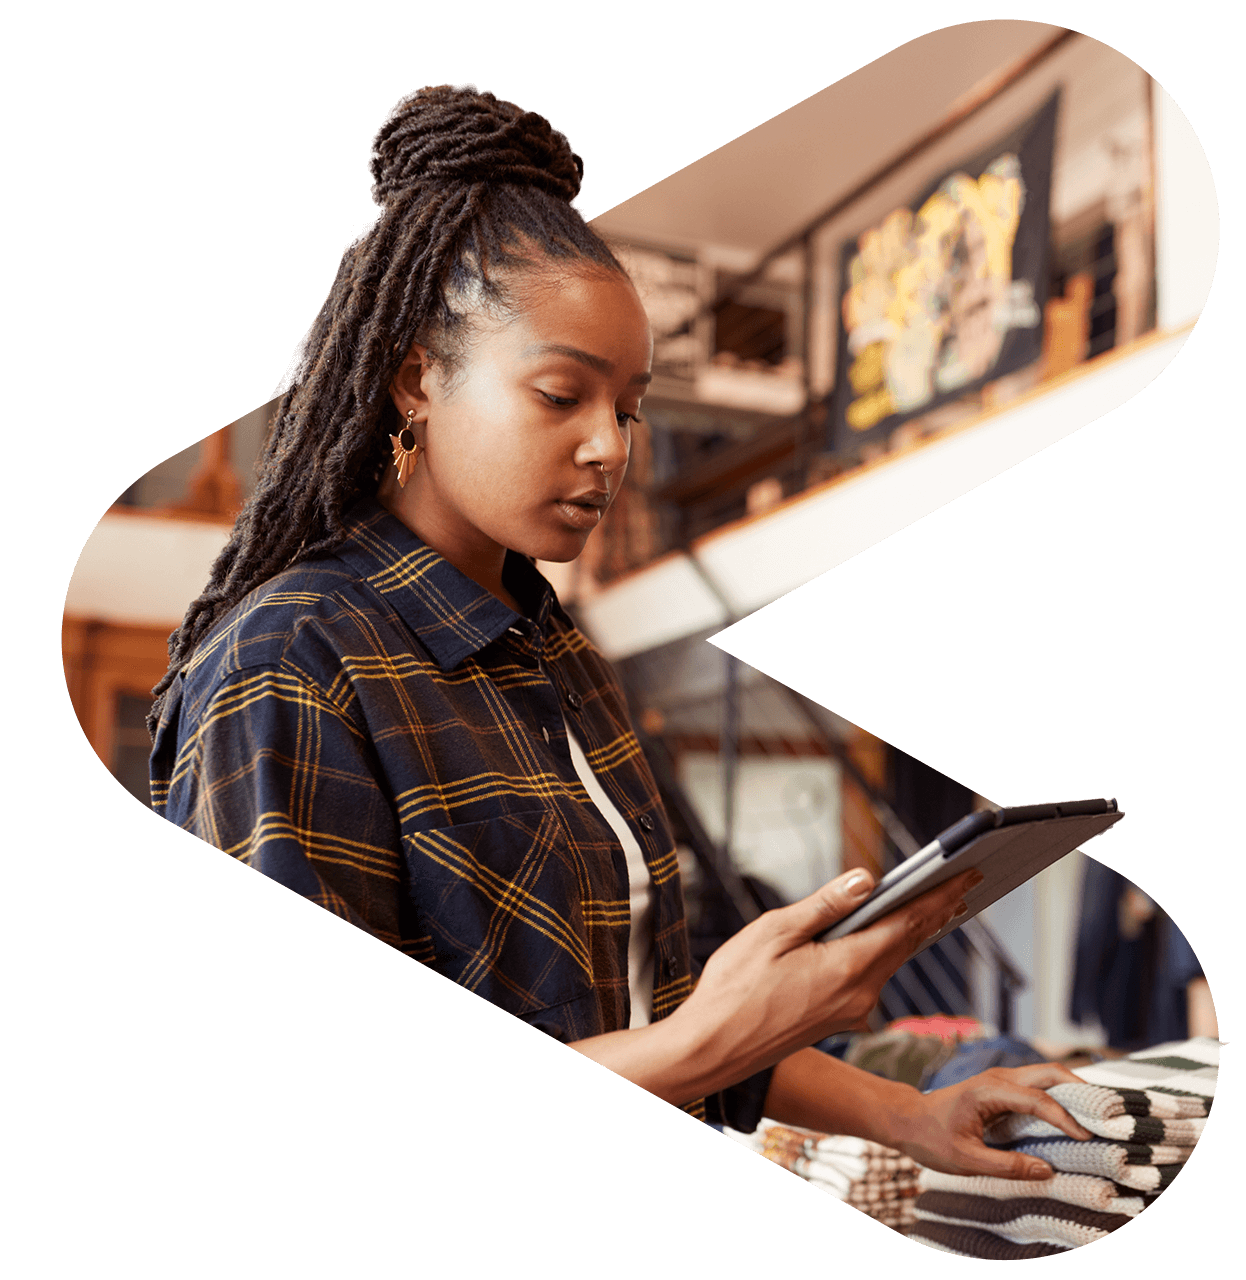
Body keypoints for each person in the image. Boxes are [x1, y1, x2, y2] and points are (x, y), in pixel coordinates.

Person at [147, 83, 1094, 1177]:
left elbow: (646, 999)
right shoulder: (291, 664)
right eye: (561, 394)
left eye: (630, 407)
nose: (610, 445)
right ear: (416, 375)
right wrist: (705, 1039)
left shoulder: (559, 659)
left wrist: (905, 1111)